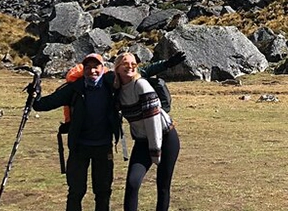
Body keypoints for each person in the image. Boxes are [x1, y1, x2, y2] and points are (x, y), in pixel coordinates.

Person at [33, 53, 121, 211]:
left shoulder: (111, 85)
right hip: (79, 147)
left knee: (103, 191)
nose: (92, 71)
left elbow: (137, 76)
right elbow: (43, 105)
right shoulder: (75, 88)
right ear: (83, 69)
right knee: (76, 191)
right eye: (88, 67)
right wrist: (35, 92)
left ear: (103, 68)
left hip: (103, 147)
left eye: (95, 67)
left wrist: (164, 66)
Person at [113, 52, 181, 211]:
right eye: (125, 64)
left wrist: (155, 150)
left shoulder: (141, 85)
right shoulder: (117, 89)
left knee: (163, 185)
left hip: (165, 137)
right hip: (142, 141)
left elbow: (153, 121)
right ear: (117, 68)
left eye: (133, 64)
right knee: (132, 182)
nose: (130, 67)